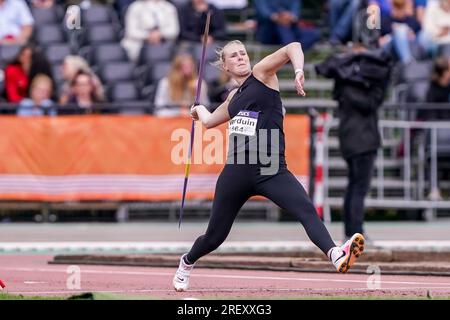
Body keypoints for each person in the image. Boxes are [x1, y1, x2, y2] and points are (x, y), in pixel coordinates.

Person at [172, 40, 366, 292]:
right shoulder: (233, 97)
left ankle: (335, 254)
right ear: (225, 66)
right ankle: (186, 262)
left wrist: (298, 71)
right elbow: (209, 122)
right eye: (234, 56)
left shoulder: (262, 74)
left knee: (305, 209)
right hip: (237, 170)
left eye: (243, 53)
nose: (241, 57)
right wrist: (198, 110)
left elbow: (293, 46)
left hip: (271, 168)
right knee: (214, 236)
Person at [316, 43, 392, 243]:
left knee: (353, 186)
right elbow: (370, 104)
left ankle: (352, 231)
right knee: (359, 188)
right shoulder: (358, 86)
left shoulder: (343, 81)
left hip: (349, 137)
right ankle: (355, 232)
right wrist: (377, 85)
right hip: (363, 139)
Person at [253, 0, 320, 51]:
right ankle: (292, 55)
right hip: (269, 31)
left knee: (314, 33)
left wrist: (288, 17)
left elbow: (295, 14)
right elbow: (264, 13)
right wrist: (279, 18)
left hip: (290, 28)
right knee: (282, 27)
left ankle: (291, 55)